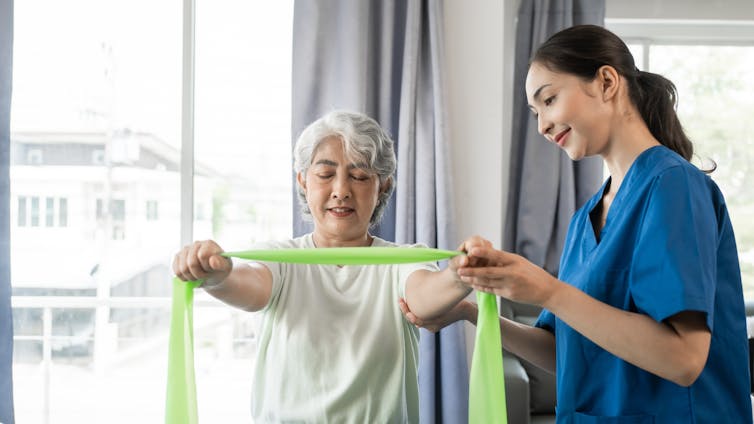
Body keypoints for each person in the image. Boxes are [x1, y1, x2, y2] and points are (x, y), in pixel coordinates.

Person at [402, 25, 752, 422]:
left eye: (549, 100)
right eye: (535, 113)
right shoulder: (585, 218)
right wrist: (472, 312)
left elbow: (683, 359)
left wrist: (547, 291)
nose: (542, 126)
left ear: (605, 82)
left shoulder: (673, 186)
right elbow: (563, 349)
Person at [172, 110, 473, 423]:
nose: (341, 190)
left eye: (358, 176)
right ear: (303, 181)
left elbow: (423, 298)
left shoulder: (404, 260)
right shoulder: (279, 258)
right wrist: (217, 275)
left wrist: (459, 274)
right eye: (326, 175)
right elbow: (247, 285)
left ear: (382, 186)